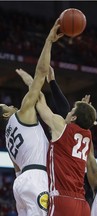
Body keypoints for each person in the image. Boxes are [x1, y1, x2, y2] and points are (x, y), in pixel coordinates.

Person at [0, 19, 63, 215]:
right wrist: (49, 41)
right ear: (5, 114)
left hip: (20, 184)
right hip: (37, 177)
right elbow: (41, 74)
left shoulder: (8, 138)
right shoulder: (23, 113)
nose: (11, 105)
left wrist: (29, 81)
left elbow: (16, 168)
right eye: (7, 106)